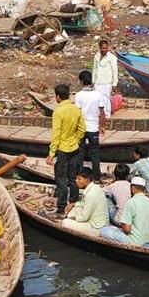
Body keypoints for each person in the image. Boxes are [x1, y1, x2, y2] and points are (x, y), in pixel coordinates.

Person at [46, 83, 85, 218]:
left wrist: (51, 154)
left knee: (61, 180)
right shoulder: (76, 109)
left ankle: (61, 208)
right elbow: (82, 129)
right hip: (74, 148)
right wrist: (76, 139)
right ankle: (73, 203)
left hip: (63, 150)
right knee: (72, 178)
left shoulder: (58, 112)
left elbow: (56, 134)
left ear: (57, 96)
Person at [99, 177, 149, 245]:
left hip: (133, 241)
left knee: (103, 230)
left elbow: (127, 230)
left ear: (132, 188)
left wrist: (123, 229)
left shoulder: (131, 202)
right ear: (144, 189)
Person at [74, 69, 109, 177]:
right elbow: (102, 113)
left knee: (80, 152)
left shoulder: (79, 95)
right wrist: (102, 126)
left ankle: (79, 174)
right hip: (94, 128)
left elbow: (77, 113)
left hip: (81, 128)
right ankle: (96, 176)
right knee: (95, 153)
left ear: (82, 81)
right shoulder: (98, 95)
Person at [61, 167, 109, 237]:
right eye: (76, 178)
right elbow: (84, 203)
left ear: (87, 180)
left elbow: (84, 217)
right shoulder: (95, 188)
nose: (76, 181)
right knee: (75, 208)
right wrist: (74, 204)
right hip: (99, 222)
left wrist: (72, 218)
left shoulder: (91, 194)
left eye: (79, 179)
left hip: (96, 228)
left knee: (65, 222)